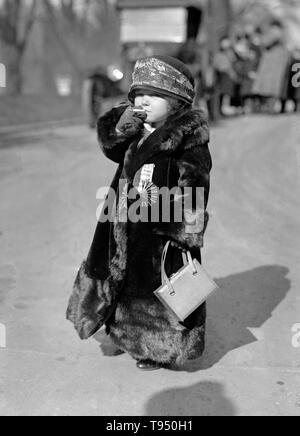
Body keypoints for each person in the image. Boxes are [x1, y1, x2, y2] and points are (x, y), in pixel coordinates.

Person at [67, 56, 212, 370]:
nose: (143, 101)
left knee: (154, 285)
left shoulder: (187, 140)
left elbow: (195, 188)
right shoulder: (137, 129)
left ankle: (154, 346)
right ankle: (122, 333)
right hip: (122, 219)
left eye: (153, 95)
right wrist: (121, 127)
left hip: (160, 230)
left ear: (176, 102)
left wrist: (184, 232)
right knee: (121, 277)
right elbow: (112, 148)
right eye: (138, 95)